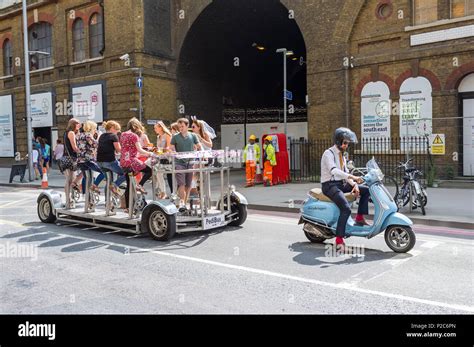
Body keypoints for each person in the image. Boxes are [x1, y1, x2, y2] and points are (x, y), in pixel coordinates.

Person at [321, 127, 370, 250]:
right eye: (345, 143)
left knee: (366, 190)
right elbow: (334, 171)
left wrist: (354, 184)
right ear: (338, 141)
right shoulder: (328, 154)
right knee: (346, 209)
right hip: (329, 185)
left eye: (348, 143)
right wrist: (352, 177)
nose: (347, 145)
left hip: (340, 183)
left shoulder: (342, 156)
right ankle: (339, 240)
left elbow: (345, 173)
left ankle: (359, 217)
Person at [120, 117, 153, 212]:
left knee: (129, 185)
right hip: (132, 161)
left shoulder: (123, 134)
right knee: (149, 170)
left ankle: (127, 207)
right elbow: (139, 149)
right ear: (135, 126)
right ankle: (140, 185)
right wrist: (150, 154)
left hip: (123, 162)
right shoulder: (134, 136)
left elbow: (127, 149)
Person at [170, 118, 202, 211]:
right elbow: (171, 147)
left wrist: (203, 154)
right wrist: (175, 152)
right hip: (179, 163)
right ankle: (182, 203)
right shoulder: (175, 137)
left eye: (182, 126)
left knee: (188, 184)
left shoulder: (193, 136)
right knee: (181, 184)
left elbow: (199, 146)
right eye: (179, 127)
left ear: (187, 126)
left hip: (190, 162)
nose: (180, 128)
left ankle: (184, 203)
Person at [96, 120, 126, 195]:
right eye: (117, 129)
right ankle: (115, 185)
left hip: (100, 162)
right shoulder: (113, 136)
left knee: (109, 180)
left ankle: (107, 202)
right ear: (112, 128)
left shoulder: (102, 136)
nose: (117, 132)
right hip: (109, 161)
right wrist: (126, 153)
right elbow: (119, 150)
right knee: (126, 173)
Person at [77, 120, 103, 194]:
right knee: (103, 172)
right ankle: (95, 186)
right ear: (91, 128)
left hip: (81, 160)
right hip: (88, 159)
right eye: (94, 128)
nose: (95, 130)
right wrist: (98, 138)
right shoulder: (88, 135)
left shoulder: (80, 135)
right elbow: (95, 145)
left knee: (87, 177)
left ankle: (86, 196)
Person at [154, 121, 172, 199]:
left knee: (159, 173)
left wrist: (159, 151)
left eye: (156, 128)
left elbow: (169, 148)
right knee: (157, 173)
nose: (154, 129)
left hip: (168, 159)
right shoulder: (158, 137)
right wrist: (154, 150)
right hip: (160, 158)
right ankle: (162, 192)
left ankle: (162, 192)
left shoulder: (167, 135)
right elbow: (158, 149)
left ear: (161, 127)